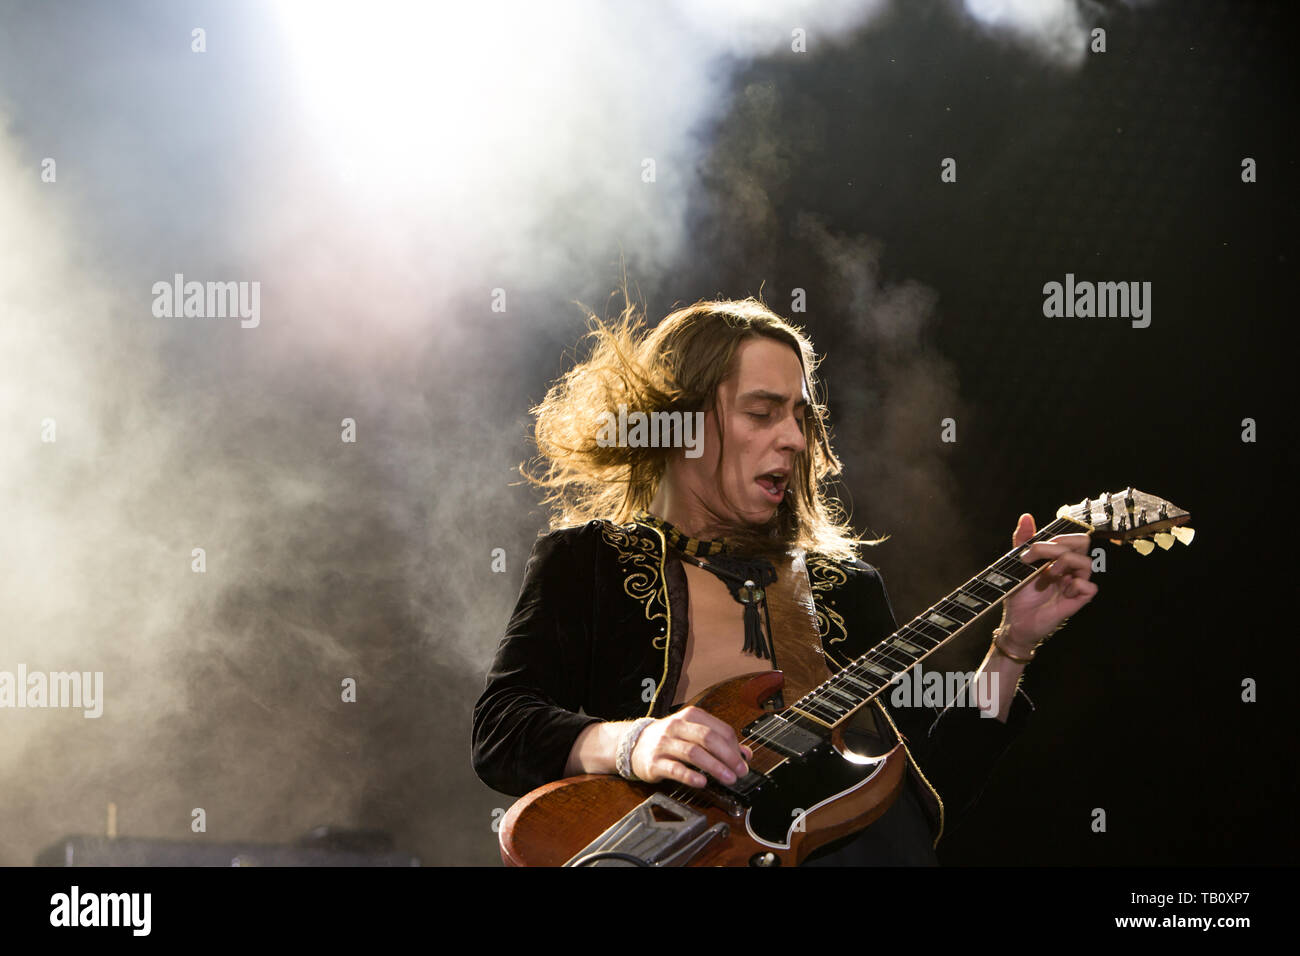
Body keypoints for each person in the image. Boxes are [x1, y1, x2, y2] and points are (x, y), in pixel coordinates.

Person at [471, 297, 1096, 865]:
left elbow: (927, 794)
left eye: (801, 416)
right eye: (762, 412)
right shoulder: (593, 561)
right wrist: (634, 741)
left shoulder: (844, 586)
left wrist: (1012, 645)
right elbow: (501, 728)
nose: (795, 439)